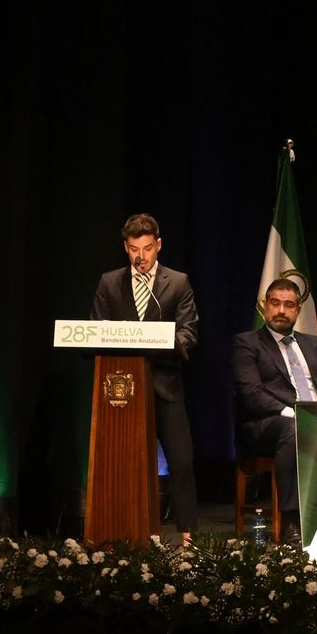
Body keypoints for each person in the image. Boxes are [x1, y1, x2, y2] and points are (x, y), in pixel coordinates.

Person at [91, 213, 199, 540]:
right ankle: (121, 532)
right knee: (121, 463)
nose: (142, 257)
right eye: (135, 249)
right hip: (121, 389)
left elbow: (189, 331)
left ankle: (188, 537)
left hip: (165, 386)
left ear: (159, 245)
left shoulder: (177, 282)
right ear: (126, 248)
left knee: (181, 462)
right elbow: (97, 331)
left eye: (148, 249)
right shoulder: (110, 283)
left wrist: (169, 344)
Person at [231, 279, 317, 540]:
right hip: (268, 425)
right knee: (293, 428)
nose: (281, 310)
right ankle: (293, 520)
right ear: (264, 306)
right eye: (275, 303)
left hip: (316, 421)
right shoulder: (247, 343)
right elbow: (251, 395)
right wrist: (295, 413)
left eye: (288, 305)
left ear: (298, 309)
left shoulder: (313, 344)